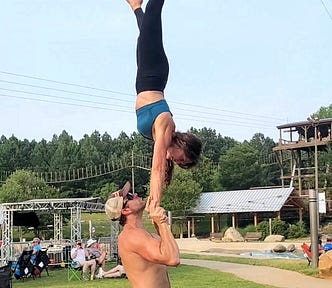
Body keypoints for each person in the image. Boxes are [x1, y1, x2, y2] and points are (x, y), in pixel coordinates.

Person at [126, 0, 202, 212]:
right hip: (154, 73)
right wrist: (155, 200)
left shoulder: (164, 136)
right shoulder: (166, 126)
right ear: (184, 147)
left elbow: (162, 165)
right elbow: (157, 167)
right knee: (155, 12)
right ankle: (139, 6)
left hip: (144, 77)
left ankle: (135, 6)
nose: (175, 160)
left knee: (146, 35)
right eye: (181, 159)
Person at [105, 182, 180, 288]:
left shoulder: (143, 234)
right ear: (126, 210)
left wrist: (158, 223)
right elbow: (173, 259)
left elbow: (171, 252)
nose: (135, 194)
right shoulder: (130, 236)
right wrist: (161, 223)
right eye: (130, 197)